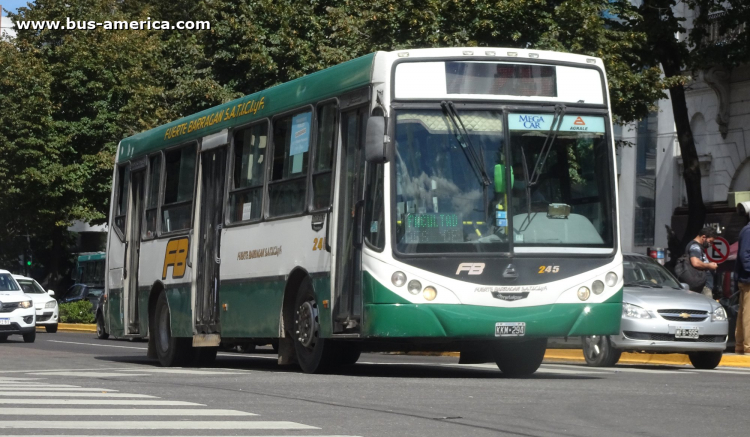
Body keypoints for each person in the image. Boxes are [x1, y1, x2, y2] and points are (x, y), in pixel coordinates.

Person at [734, 211, 750, 355]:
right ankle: (748, 345)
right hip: (748, 278)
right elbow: (745, 255)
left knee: (744, 312)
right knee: (748, 313)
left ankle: (741, 344)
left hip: (746, 278)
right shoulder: (749, 231)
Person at [687, 227, 718, 298]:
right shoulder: (695, 246)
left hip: (704, 287)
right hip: (702, 288)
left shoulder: (698, 247)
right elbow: (696, 263)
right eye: (710, 241)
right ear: (703, 237)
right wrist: (709, 266)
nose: (711, 244)